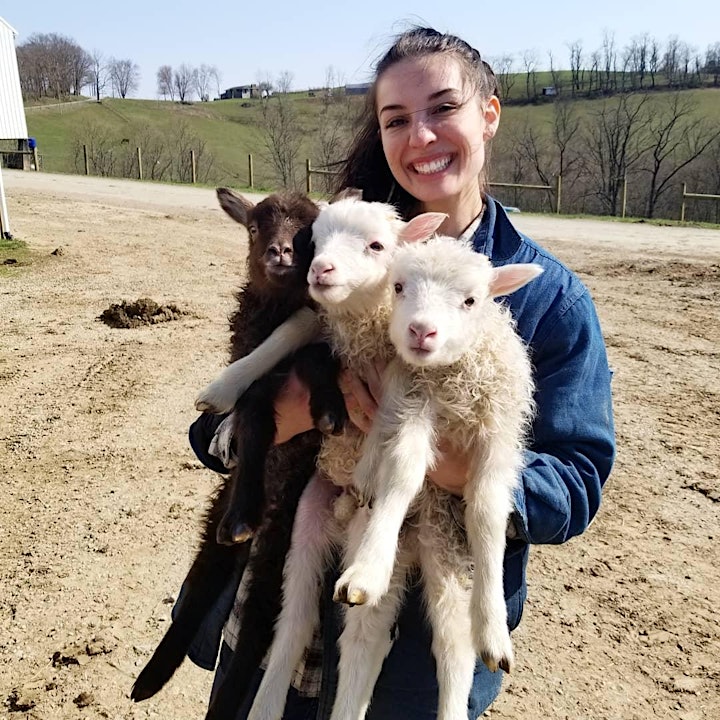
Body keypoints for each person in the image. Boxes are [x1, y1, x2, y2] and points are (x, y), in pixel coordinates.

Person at [184, 25, 616, 720]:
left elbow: (577, 481)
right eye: (396, 119)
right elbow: (211, 435)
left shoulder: (545, 299)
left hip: (409, 653)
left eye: (442, 109)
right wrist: (290, 413)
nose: (420, 136)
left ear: (489, 114)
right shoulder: (336, 249)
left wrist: (458, 469)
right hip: (276, 617)